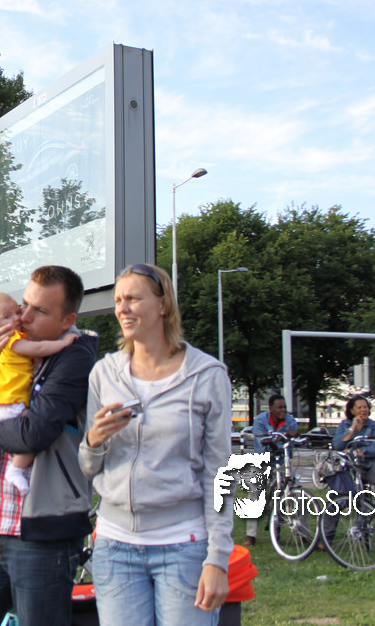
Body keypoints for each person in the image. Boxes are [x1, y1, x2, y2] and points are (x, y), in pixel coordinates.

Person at [79, 264, 232, 625]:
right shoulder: (103, 373)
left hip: (184, 546)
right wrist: (94, 440)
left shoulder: (207, 375)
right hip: (114, 546)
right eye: (118, 300)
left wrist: (218, 559)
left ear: (163, 305)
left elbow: (220, 474)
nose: (122, 308)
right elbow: (87, 466)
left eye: (133, 298)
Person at [0, 266, 99, 626]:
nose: (25, 316)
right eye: (24, 304)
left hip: (45, 533)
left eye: (40, 311)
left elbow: (33, 433)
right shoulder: (10, 348)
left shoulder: (74, 356)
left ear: (68, 321)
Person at [0, 291, 77, 493]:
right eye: (7, 316)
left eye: (16, 312)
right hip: (10, 403)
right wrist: (63, 344)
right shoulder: (12, 340)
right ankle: (16, 469)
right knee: (28, 436)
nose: (17, 318)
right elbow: (39, 349)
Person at [330, 395, 375, 542]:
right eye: (359, 407)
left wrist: (359, 450)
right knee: (337, 497)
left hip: (368, 464)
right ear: (352, 411)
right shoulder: (344, 425)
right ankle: (326, 539)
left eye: (365, 407)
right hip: (349, 466)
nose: (363, 410)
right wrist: (352, 429)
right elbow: (338, 445)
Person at [241, 394, 299, 546]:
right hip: (263, 460)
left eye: (284, 407)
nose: (283, 410)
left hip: (282, 461)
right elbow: (262, 445)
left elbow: (290, 447)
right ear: (271, 408)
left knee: (296, 491)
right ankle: (250, 536)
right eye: (279, 407)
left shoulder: (291, 421)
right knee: (255, 492)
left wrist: (287, 439)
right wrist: (279, 440)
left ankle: (304, 534)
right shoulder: (260, 420)